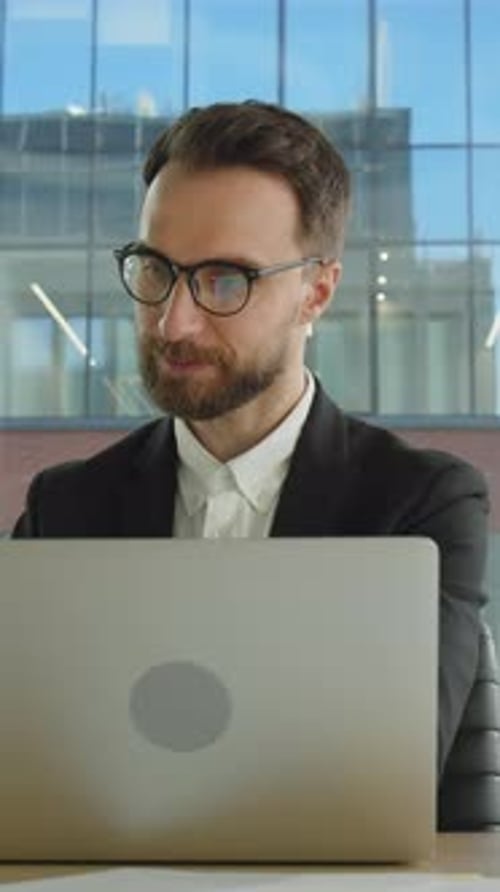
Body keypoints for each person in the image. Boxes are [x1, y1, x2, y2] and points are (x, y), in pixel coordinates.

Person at [12, 100, 489, 791]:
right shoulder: (66, 507)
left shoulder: (420, 505)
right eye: (155, 269)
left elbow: (388, 781)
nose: (173, 322)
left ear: (316, 292)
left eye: (224, 279)